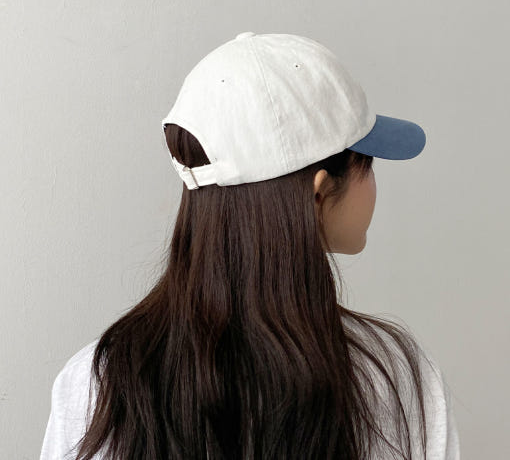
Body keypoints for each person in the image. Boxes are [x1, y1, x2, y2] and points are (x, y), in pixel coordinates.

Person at [40, 32, 460, 459]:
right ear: (318, 194)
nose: (373, 183)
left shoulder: (95, 384)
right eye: (366, 163)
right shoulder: (397, 381)